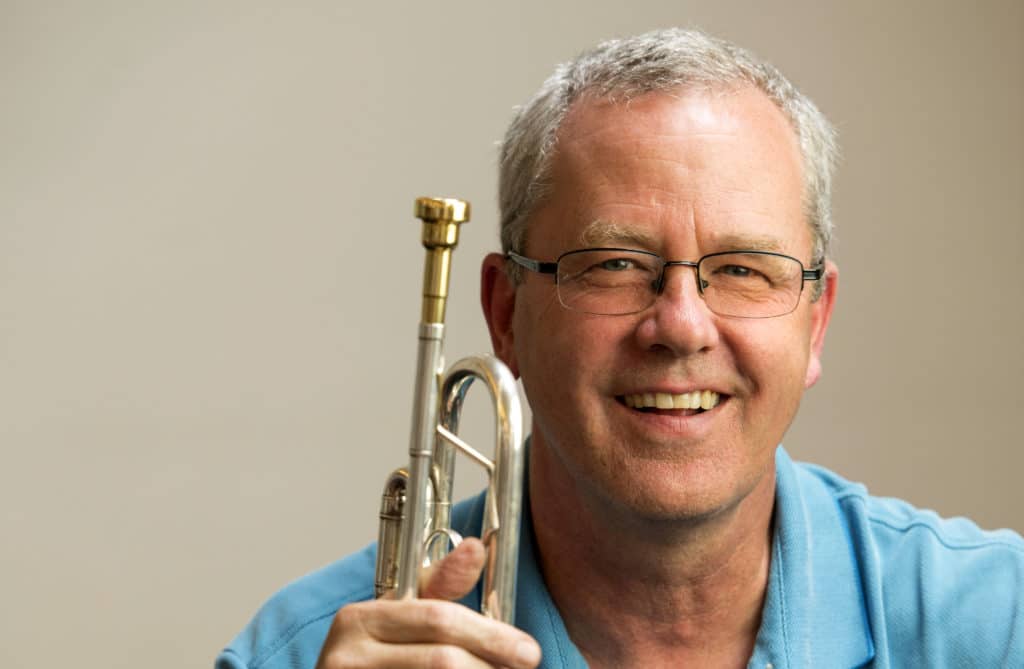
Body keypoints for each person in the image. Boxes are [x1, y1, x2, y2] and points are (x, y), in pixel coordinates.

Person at [216, 28, 1024, 669]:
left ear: (816, 321)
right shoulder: (297, 655)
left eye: (743, 269)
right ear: (505, 312)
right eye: (614, 265)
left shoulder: (999, 623)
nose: (680, 325)